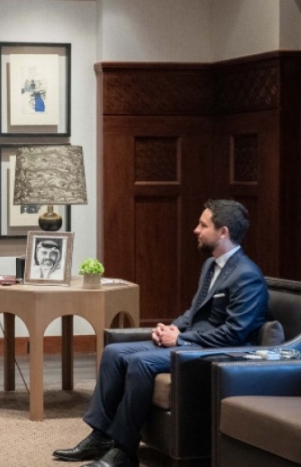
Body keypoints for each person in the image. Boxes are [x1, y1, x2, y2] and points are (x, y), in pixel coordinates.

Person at [52, 199, 268, 467]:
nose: (196, 230)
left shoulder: (247, 275)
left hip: (216, 352)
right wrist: (173, 327)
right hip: (191, 343)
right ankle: (100, 436)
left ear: (223, 232)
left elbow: (235, 334)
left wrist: (181, 339)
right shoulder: (211, 265)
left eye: (203, 225)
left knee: (140, 362)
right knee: (114, 352)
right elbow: (194, 311)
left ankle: (124, 451)